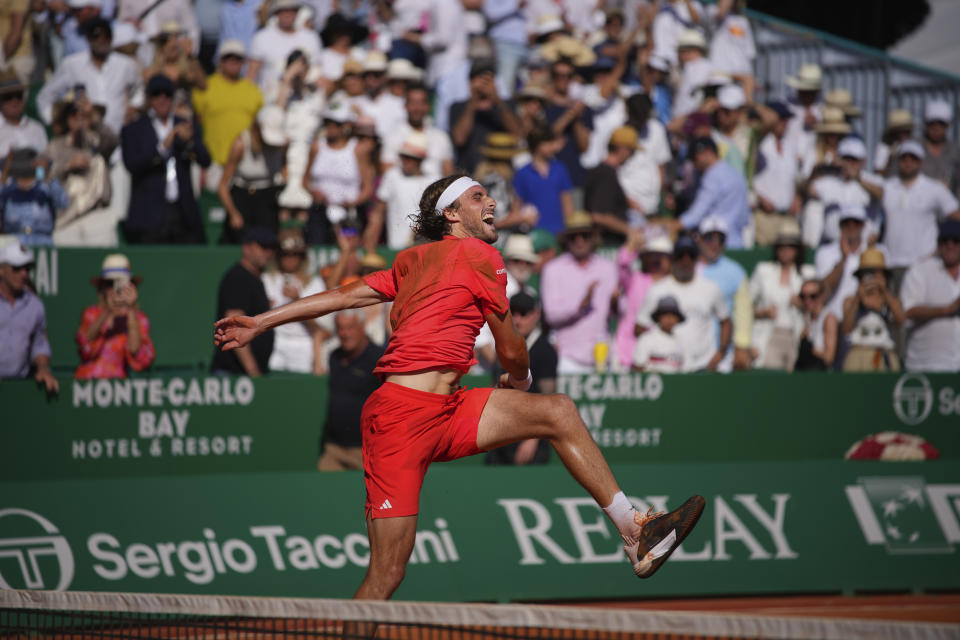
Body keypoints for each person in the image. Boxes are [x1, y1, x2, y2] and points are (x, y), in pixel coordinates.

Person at [214, 174, 705, 604]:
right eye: (477, 197)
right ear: (451, 214)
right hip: (399, 418)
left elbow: (344, 295)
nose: (491, 204)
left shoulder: (412, 260)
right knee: (387, 574)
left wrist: (261, 321)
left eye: (489, 197)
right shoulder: (476, 254)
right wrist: (519, 377)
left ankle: (634, 531)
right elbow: (510, 347)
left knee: (558, 411)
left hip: (447, 409)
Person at [121, 74, 211, 244]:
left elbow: (206, 160)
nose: (162, 100)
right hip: (150, 212)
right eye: (156, 94)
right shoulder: (135, 128)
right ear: (149, 99)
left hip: (182, 211)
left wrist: (189, 142)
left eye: (167, 95)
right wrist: (163, 147)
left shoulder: (185, 124)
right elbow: (132, 164)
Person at [859, 140, 960, 277]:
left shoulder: (934, 188)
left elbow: (955, 215)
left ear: (921, 162)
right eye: (904, 158)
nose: (908, 162)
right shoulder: (888, 186)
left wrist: (940, 248)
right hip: (891, 263)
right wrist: (856, 176)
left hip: (923, 265)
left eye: (913, 159)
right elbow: (874, 188)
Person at [37, 18, 144, 138]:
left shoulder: (125, 64)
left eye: (106, 36)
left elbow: (139, 90)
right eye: (96, 36)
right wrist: (58, 123)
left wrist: (135, 108)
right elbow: (45, 96)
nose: (101, 41)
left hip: (120, 134)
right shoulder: (72, 64)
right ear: (87, 39)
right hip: (86, 137)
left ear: (111, 38)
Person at [637, 235, 730, 372]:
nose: (686, 261)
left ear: (696, 260)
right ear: (673, 259)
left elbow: (726, 321)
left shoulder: (711, 289)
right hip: (666, 370)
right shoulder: (657, 290)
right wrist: (657, 348)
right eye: (681, 256)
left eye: (691, 256)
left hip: (703, 367)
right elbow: (640, 327)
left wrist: (721, 352)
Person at [485, 291, 557, 466]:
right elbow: (494, 386)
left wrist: (532, 440)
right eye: (514, 314)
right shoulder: (504, 345)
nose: (518, 320)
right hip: (502, 433)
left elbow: (548, 399)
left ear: (536, 315)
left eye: (524, 314)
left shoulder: (544, 349)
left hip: (531, 437)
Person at [541, 212, 618, 374]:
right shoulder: (553, 269)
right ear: (566, 239)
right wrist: (580, 306)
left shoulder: (608, 268)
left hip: (602, 355)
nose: (580, 241)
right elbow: (551, 316)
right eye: (574, 236)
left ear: (593, 238)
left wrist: (616, 302)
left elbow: (617, 314)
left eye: (585, 235)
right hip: (568, 358)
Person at [317, 308, 384, 471]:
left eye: (350, 327)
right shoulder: (334, 356)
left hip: (365, 451)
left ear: (362, 327)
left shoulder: (379, 358)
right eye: (340, 328)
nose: (345, 333)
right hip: (333, 448)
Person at [261, 228, 331, 375]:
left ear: (303, 257)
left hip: (303, 342)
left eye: (296, 254)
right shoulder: (267, 280)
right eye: (286, 254)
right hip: (275, 341)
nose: (291, 258)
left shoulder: (314, 283)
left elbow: (320, 327)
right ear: (278, 255)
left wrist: (298, 300)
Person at [74, 254, 156, 379]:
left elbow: (135, 350)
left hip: (116, 388)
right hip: (87, 385)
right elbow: (85, 340)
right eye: (110, 284)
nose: (116, 289)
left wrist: (131, 309)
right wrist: (108, 310)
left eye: (121, 284)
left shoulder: (139, 318)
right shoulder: (92, 314)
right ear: (102, 288)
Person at [749, 220, 815, 370]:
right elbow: (745, 308)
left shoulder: (808, 273)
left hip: (797, 335)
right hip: (769, 335)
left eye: (790, 246)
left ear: (797, 250)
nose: (785, 250)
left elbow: (817, 309)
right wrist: (763, 312)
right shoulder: (763, 271)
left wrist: (802, 305)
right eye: (782, 246)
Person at [211, 226, 276, 377]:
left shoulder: (255, 278)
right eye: (263, 246)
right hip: (233, 375)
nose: (268, 252)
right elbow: (234, 328)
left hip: (246, 373)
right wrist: (253, 372)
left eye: (272, 247)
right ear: (246, 248)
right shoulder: (238, 278)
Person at [217, 106, 286, 243]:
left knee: (269, 242)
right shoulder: (241, 144)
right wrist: (233, 213)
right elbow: (222, 186)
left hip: (268, 199)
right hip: (242, 199)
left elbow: (284, 171)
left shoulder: (282, 145)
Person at [191, 39, 263, 170]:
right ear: (220, 60)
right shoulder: (206, 86)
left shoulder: (253, 90)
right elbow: (197, 122)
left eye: (238, 57)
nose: (233, 60)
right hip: (214, 163)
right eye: (228, 57)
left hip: (245, 164)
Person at [900, 220, 960, 372]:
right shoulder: (921, 271)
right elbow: (907, 311)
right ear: (938, 244)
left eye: (956, 240)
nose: (950, 245)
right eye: (945, 240)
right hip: (927, 366)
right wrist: (947, 309)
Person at [0, 240, 58, 393]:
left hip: (20, 387)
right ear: (1, 270)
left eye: (27, 268)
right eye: (17, 268)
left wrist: (43, 368)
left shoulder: (34, 305)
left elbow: (39, 344)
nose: (24, 274)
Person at [449, 59, 522, 173]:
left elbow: (518, 135)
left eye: (487, 79)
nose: (483, 84)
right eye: (478, 79)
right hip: (468, 172)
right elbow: (459, 139)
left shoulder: (507, 105)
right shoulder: (458, 107)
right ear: (470, 82)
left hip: (501, 173)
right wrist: (473, 100)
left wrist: (497, 99)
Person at [367, 131, 435, 252]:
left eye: (410, 158)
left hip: (424, 249)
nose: (405, 161)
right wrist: (370, 248)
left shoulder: (433, 181)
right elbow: (378, 214)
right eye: (403, 156)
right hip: (396, 247)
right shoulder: (392, 176)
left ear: (420, 160)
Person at [678, 136, 750, 248]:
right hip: (737, 243)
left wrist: (672, 226)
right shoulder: (736, 175)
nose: (694, 163)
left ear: (708, 152)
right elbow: (745, 218)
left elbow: (694, 217)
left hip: (716, 247)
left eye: (695, 158)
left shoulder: (712, 175)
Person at [615, 232, 672, 372]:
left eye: (661, 256)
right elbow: (622, 264)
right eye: (652, 255)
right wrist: (633, 244)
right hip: (628, 352)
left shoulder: (673, 284)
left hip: (663, 356)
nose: (656, 260)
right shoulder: (635, 279)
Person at [840, 249, 904, 372]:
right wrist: (859, 297)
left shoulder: (890, 300)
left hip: (883, 352)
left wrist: (883, 290)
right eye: (867, 274)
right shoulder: (850, 301)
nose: (871, 278)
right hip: (858, 353)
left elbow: (901, 320)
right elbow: (845, 329)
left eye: (876, 273)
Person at [697, 216, 746, 372]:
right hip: (691, 350)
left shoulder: (736, 271)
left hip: (724, 354)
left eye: (721, 240)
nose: (715, 244)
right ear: (699, 239)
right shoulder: (687, 268)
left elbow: (743, 313)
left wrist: (742, 347)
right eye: (710, 238)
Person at [247, 0, 322, 100]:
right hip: (269, 100)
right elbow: (251, 75)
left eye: (292, 10)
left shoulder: (311, 37)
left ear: (297, 12)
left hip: (302, 102)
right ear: (276, 13)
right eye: (283, 10)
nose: (288, 13)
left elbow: (317, 73)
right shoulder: (262, 37)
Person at [752, 101, 802, 247]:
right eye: (781, 119)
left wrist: (797, 197)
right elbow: (748, 176)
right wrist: (761, 199)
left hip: (787, 216)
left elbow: (793, 178)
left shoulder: (789, 146)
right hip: (765, 215)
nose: (784, 124)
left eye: (786, 120)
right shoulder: (759, 143)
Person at [380, 84, 455, 179]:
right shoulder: (392, 136)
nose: (417, 108)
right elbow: (386, 172)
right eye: (413, 103)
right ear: (405, 105)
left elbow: (448, 173)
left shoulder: (441, 137)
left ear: (428, 106)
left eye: (421, 103)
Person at [513, 124, 574, 235]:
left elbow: (567, 203)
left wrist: (569, 229)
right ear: (537, 145)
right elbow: (517, 206)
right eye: (549, 143)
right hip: (534, 233)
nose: (554, 147)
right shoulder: (522, 173)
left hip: (559, 232)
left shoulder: (560, 169)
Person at [0, 148, 68, 247]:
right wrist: (5, 171)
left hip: (43, 242)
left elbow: (63, 203)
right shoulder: (8, 189)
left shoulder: (44, 187)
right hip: (14, 243)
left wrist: (47, 174)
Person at [584, 125, 637, 243]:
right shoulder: (605, 174)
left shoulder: (604, 172)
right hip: (608, 245)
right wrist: (630, 231)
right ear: (621, 148)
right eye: (632, 151)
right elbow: (598, 215)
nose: (632, 156)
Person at [0, 67, 47, 159]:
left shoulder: (37, 128)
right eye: (8, 97)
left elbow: (44, 160)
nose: (15, 101)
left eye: (18, 95)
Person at [632, 295, 685, 373]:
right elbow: (638, 368)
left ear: (677, 318)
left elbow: (685, 371)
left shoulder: (681, 342)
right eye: (665, 314)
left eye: (673, 315)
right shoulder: (647, 339)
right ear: (658, 317)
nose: (669, 319)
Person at [794, 278, 838, 371]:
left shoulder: (829, 318)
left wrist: (811, 350)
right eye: (803, 296)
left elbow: (829, 358)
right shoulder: (806, 318)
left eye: (812, 296)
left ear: (822, 296)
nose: (807, 300)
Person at [920, 100, 960, 195]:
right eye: (932, 123)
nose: (936, 128)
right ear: (926, 124)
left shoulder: (955, 150)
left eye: (941, 124)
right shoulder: (914, 148)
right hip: (919, 204)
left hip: (949, 205)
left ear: (947, 126)